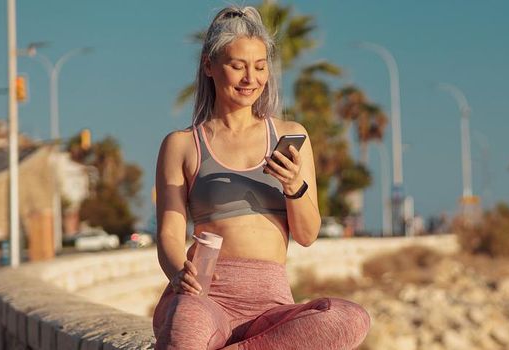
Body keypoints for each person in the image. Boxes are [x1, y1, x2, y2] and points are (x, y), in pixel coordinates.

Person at [152, 7, 369, 349]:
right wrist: (178, 272)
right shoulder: (182, 145)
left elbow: (308, 234)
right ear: (209, 65)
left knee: (349, 318)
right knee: (186, 323)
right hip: (208, 297)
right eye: (237, 66)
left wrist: (294, 186)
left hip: (271, 305)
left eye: (259, 66)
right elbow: (169, 231)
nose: (250, 78)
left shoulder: (291, 134)